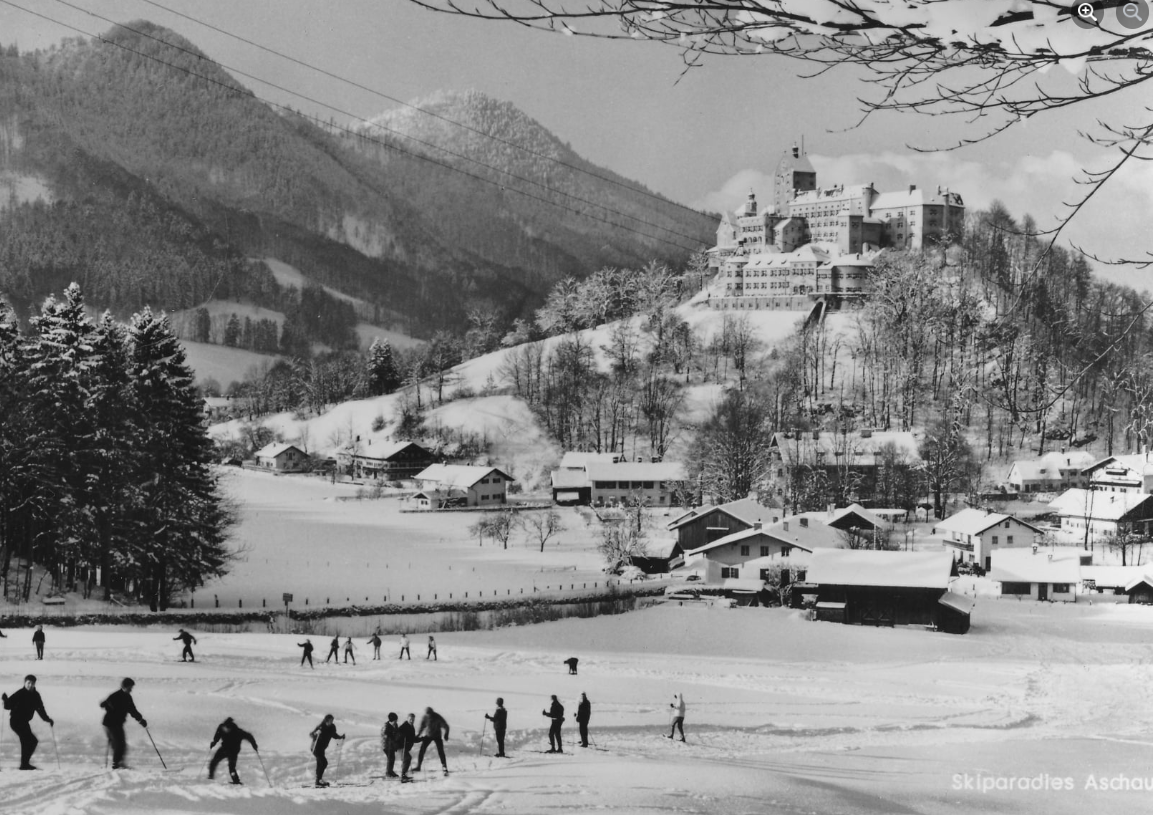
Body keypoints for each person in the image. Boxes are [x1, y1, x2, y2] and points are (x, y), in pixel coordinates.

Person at [2, 675, 54, 770]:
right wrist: (5, 700)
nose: (30, 685)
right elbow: (8, 706)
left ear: (35, 684)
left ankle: (24, 764)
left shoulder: (36, 695)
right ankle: (24, 765)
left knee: (31, 741)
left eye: (32, 683)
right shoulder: (20, 693)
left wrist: (47, 719)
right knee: (29, 740)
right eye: (28, 683)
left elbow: (40, 709)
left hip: (24, 722)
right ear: (25, 683)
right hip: (16, 721)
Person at [100, 678, 147, 769]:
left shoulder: (128, 697)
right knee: (120, 744)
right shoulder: (115, 695)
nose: (131, 689)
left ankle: (118, 763)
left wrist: (141, 720)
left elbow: (132, 710)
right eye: (130, 687)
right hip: (110, 723)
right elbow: (102, 704)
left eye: (131, 688)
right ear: (124, 686)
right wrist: (108, 706)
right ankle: (117, 764)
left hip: (116, 723)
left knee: (118, 743)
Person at [208, 717, 257, 784]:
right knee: (214, 761)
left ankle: (236, 781)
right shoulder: (222, 727)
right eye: (224, 728)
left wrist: (254, 745)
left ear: (231, 728)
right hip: (224, 748)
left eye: (227, 728)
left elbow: (249, 736)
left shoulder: (238, 732)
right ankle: (210, 777)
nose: (225, 730)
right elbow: (218, 735)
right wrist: (214, 742)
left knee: (231, 767)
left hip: (233, 751)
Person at [309, 714, 345, 787]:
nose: (331, 722)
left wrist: (340, 737)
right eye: (329, 720)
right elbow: (311, 734)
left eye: (332, 720)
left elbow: (334, 735)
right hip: (315, 747)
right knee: (324, 762)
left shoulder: (332, 727)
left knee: (320, 763)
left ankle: (318, 781)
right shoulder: (321, 727)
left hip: (322, 748)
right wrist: (316, 733)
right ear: (326, 720)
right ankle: (318, 780)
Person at [413, 706, 450, 775]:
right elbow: (422, 726)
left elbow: (446, 726)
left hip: (437, 736)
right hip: (428, 735)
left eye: (430, 714)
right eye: (427, 714)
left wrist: (446, 735)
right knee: (422, 750)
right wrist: (418, 735)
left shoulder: (437, 717)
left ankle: (444, 767)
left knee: (440, 751)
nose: (429, 715)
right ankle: (418, 766)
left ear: (432, 713)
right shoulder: (425, 717)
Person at [398, 713, 417, 782]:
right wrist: (402, 735)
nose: (412, 721)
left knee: (407, 758)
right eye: (410, 719)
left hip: (405, 747)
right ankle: (403, 776)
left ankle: (404, 775)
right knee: (407, 758)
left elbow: (413, 739)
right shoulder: (404, 726)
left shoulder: (412, 727)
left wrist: (422, 739)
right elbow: (398, 733)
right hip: (401, 746)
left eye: (413, 720)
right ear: (407, 719)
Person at [380, 712, 400, 777]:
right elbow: (385, 736)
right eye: (395, 721)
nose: (396, 722)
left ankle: (390, 771)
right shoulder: (386, 726)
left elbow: (397, 733)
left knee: (392, 758)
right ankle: (388, 772)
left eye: (396, 720)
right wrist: (392, 737)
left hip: (392, 745)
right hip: (386, 745)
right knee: (390, 758)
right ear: (391, 720)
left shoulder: (395, 725)